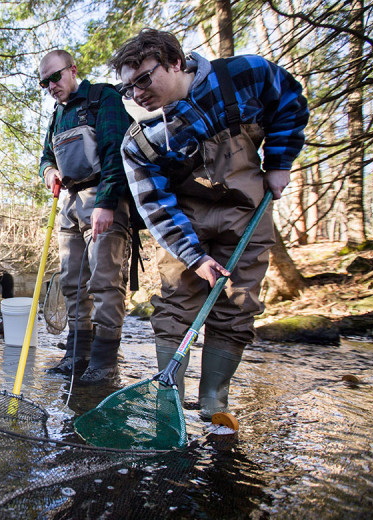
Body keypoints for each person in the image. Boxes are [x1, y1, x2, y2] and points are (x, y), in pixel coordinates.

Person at [112, 29, 308, 418]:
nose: (137, 94)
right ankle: (168, 404)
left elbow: (290, 100)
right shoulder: (139, 142)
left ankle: (214, 403)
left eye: (144, 80)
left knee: (237, 306)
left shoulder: (243, 74)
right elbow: (156, 208)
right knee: (175, 305)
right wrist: (194, 257)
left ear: (175, 62)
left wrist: (281, 163)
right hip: (185, 223)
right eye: (127, 88)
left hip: (248, 210)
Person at [38, 49, 133, 385]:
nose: (50, 85)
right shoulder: (56, 117)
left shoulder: (103, 98)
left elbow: (117, 152)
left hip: (103, 198)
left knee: (105, 281)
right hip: (69, 203)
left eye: (55, 77)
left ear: (72, 70)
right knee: (72, 284)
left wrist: (107, 202)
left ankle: (104, 362)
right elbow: (45, 157)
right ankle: (76, 355)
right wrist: (49, 171)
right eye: (44, 82)